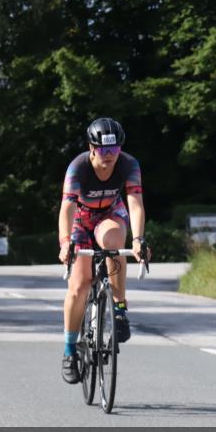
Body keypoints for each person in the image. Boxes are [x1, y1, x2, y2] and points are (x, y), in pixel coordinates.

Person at [57, 118, 149, 384]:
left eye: (115, 150)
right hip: (80, 218)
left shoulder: (129, 164)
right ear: (91, 148)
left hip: (110, 212)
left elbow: (136, 204)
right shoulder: (78, 167)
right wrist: (65, 243)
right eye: (103, 150)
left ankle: (119, 308)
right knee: (79, 285)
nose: (109, 156)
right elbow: (67, 209)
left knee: (114, 241)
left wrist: (139, 239)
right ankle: (69, 350)